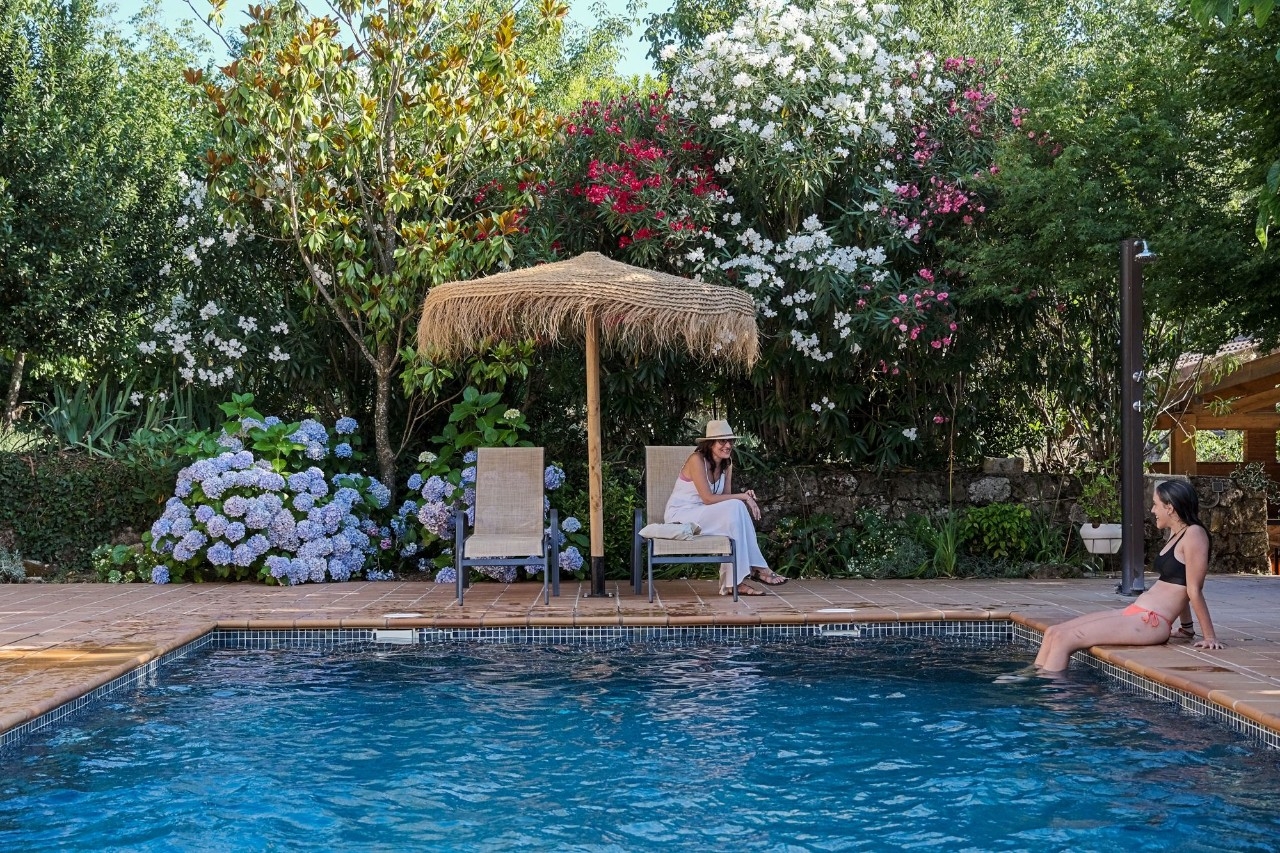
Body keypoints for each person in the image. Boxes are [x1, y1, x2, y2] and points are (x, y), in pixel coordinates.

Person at [1034, 479, 1225, 671]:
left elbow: (1193, 589)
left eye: (1155, 505)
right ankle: (1034, 681)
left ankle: (1051, 697)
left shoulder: (1194, 534)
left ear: (1170, 508)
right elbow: (1180, 581)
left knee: (1065, 639)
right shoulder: (1177, 534)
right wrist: (1186, 628)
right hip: (1137, 613)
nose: (1152, 510)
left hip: (1151, 622)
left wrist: (1209, 637)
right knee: (1054, 632)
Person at [663, 420, 786, 596]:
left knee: (734, 514)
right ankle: (758, 568)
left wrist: (743, 497)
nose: (728, 445)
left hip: (704, 515)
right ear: (710, 443)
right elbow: (708, 498)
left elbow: (725, 501)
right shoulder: (696, 460)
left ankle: (733, 583)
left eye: (730, 441)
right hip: (681, 516)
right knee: (736, 506)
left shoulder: (727, 464)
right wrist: (743, 496)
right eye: (722, 441)